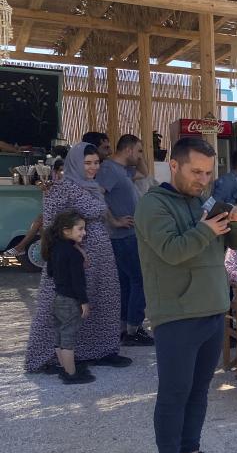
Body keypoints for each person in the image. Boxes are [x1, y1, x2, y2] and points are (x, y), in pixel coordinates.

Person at [135, 137, 237, 453]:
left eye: (208, 172)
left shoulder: (205, 201)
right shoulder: (152, 205)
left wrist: (236, 218)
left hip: (212, 309)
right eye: (195, 171)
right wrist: (207, 230)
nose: (203, 179)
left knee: (199, 392)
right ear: (174, 165)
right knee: (174, 394)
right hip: (175, 315)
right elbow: (170, 251)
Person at [24, 144, 130, 373]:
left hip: (100, 256)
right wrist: (73, 249)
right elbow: (52, 223)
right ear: (75, 163)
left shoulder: (92, 187)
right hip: (73, 258)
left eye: (96, 162)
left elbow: (99, 214)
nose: (93, 167)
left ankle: (101, 350)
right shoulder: (60, 188)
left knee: (102, 300)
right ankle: (52, 357)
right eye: (87, 163)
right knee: (68, 304)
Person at [97, 133, 153, 346]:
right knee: (140, 279)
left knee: (128, 282)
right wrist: (113, 220)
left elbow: (145, 173)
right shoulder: (109, 169)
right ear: (128, 150)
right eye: (138, 151)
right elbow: (98, 195)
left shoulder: (123, 170)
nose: (140, 156)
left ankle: (125, 328)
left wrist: (139, 156)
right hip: (123, 236)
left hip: (130, 235)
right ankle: (133, 329)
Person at [41, 210, 95, 384]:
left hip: (58, 299)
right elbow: (78, 282)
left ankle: (65, 369)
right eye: (80, 229)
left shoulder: (55, 247)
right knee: (68, 338)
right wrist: (84, 302)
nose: (84, 233)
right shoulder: (72, 254)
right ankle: (71, 375)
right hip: (70, 301)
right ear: (66, 230)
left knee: (60, 335)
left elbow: (50, 272)